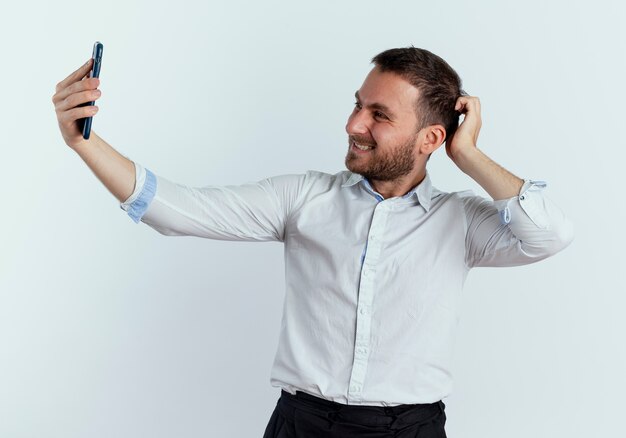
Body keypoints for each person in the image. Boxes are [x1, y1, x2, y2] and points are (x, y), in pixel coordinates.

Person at [52, 46, 573, 437]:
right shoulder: (306, 197)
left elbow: (549, 235)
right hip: (301, 425)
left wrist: (470, 156)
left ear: (431, 139)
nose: (354, 125)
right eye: (357, 105)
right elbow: (176, 211)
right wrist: (84, 142)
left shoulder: (463, 222)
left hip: (410, 430)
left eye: (379, 115)